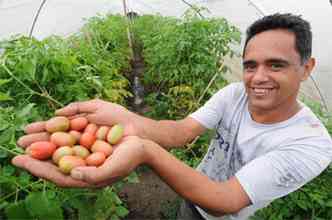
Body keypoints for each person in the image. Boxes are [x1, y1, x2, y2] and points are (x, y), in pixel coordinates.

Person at [12, 13, 332, 219]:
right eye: (251, 65)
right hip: (190, 194)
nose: (258, 77)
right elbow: (180, 132)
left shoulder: (311, 145)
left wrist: (144, 150)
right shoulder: (236, 94)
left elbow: (225, 200)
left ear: (306, 68)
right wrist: (127, 118)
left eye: (276, 65)